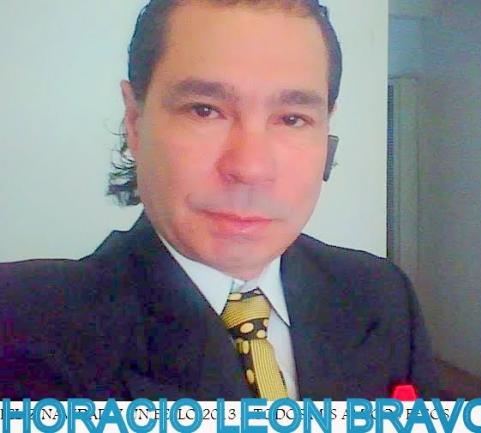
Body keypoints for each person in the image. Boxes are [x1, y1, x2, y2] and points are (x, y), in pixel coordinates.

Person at [0, 0, 437, 400]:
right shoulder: (27, 325)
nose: (250, 167)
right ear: (134, 122)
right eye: (204, 110)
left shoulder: (381, 294)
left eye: (292, 118)